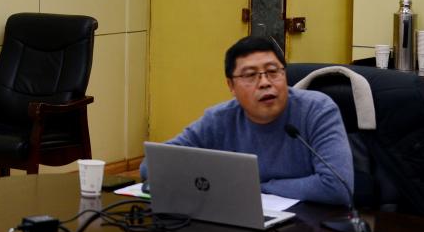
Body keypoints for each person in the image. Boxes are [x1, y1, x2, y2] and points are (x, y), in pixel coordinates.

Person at [142, 35, 353, 205]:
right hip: (240, 223)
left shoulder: (317, 110)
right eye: (250, 75)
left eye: (273, 72)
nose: (264, 83)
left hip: (312, 228)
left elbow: (338, 186)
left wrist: (259, 187)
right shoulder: (219, 119)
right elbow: (151, 166)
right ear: (231, 86)